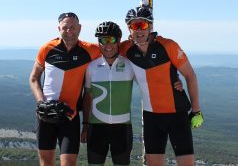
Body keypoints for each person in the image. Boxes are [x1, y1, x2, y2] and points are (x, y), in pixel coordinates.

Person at [81, 21, 184, 165]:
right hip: (96, 128)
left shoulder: (130, 64)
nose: (108, 45)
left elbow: (152, 79)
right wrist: (85, 125)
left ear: (119, 41)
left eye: (112, 40)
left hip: (122, 129)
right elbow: (87, 96)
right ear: (98, 42)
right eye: (103, 40)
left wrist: (175, 79)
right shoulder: (92, 67)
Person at [120, 7, 203, 166]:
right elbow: (104, 49)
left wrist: (196, 110)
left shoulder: (168, 46)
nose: (138, 30)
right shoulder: (126, 49)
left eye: (142, 25)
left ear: (150, 27)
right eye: (134, 26)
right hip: (151, 117)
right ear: (128, 28)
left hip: (177, 114)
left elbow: (190, 75)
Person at [29, 12, 100, 166]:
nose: (69, 31)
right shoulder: (47, 48)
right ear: (58, 29)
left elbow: (112, 48)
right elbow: (34, 78)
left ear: (80, 28)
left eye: (73, 27)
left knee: (68, 163)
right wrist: (42, 103)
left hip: (70, 116)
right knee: (46, 162)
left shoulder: (90, 50)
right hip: (45, 115)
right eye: (65, 28)